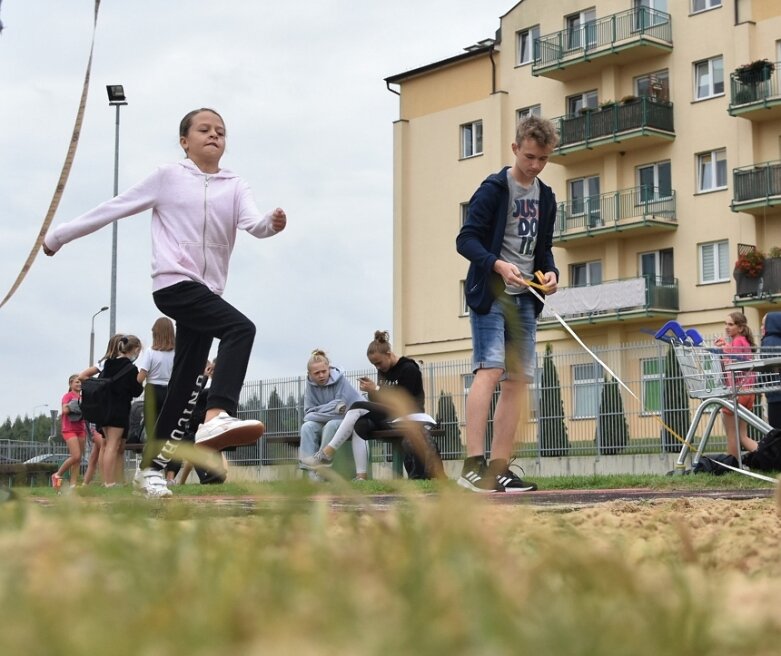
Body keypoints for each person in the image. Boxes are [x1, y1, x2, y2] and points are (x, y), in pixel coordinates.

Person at [43, 108, 287, 498]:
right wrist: (58, 236)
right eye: (204, 130)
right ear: (184, 140)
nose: (214, 135)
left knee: (186, 384)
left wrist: (271, 224)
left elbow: (253, 223)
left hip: (208, 293)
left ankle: (152, 470)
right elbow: (115, 207)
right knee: (240, 328)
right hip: (174, 283)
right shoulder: (168, 177)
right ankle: (217, 414)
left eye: (221, 132)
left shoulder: (235, 185)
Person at [454, 115, 561, 493]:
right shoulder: (494, 189)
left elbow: (543, 249)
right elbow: (465, 240)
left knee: (518, 382)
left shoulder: (546, 197)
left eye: (543, 159)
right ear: (516, 149)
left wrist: (550, 274)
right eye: (530, 156)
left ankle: (500, 468)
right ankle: (471, 466)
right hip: (492, 294)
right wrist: (497, 263)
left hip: (526, 301)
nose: (535, 165)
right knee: (491, 371)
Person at [301, 331, 444, 480]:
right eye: (374, 364)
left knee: (357, 405)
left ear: (388, 354)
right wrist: (371, 391)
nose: (378, 367)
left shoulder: (409, 369)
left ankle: (327, 453)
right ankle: (361, 476)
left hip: (408, 416)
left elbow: (403, 401)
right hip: (390, 418)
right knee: (359, 424)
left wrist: (376, 389)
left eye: (379, 363)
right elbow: (381, 402)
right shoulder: (383, 370)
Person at [300, 349, 364, 480]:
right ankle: (310, 474)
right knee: (307, 427)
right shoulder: (310, 385)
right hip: (327, 419)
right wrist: (330, 408)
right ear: (310, 374)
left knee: (331, 424)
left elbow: (341, 409)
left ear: (329, 368)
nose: (321, 375)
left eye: (324, 371)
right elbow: (308, 413)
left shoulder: (341, 381)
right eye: (316, 373)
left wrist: (319, 410)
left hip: (348, 420)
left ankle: (322, 471)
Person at [91, 335, 144, 487]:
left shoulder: (108, 364)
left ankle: (113, 480)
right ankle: (110, 482)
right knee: (113, 446)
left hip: (104, 408)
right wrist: (140, 379)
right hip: (118, 410)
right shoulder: (131, 368)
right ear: (134, 349)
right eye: (138, 351)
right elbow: (135, 391)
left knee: (111, 445)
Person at [79, 333, 123, 485]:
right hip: (110, 406)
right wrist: (100, 385)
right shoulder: (107, 363)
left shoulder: (105, 363)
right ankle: (108, 480)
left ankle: (107, 479)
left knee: (106, 444)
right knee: (108, 444)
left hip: (105, 406)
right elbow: (82, 376)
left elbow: (83, 376)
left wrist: (99, 384)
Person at [136, 317, 175, 481]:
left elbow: (141, 377)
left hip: (152, 389)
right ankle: (167, 472)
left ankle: (149, 469)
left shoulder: (150, 352)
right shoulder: (176, 352)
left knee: (152, 431)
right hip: (170, 390)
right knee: (168, 433)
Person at [715, 311, 759, 458]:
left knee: (732, 435)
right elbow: (739, 358)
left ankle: (732, 465)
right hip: (748, 392)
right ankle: (771, 457)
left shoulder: (738, 341)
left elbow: (734, 364)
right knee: (743, 436)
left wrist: (724, 350)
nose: (727, 327)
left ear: (740, 328)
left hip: (738, 392)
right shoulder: (743, 341)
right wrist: (726, 347)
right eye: (725, 324)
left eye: (731, 324)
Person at [52, 374, 87, 489]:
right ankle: (57, 474)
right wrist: (74, 405)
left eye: (80, 382)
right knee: (75, 456)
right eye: (77, 382)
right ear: (71, 384)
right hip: (69, 429)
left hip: (81, 428)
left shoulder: (84, 397)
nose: (79, 384)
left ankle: (73, 485)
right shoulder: (67, 396)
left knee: (79, 458)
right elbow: (65, 410)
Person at [761, 312, 781, 430]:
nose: (761, 327)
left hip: (775, 394)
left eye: (764, 324)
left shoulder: (768, 341)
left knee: (776, 433)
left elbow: (766, 367)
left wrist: (759, 380)